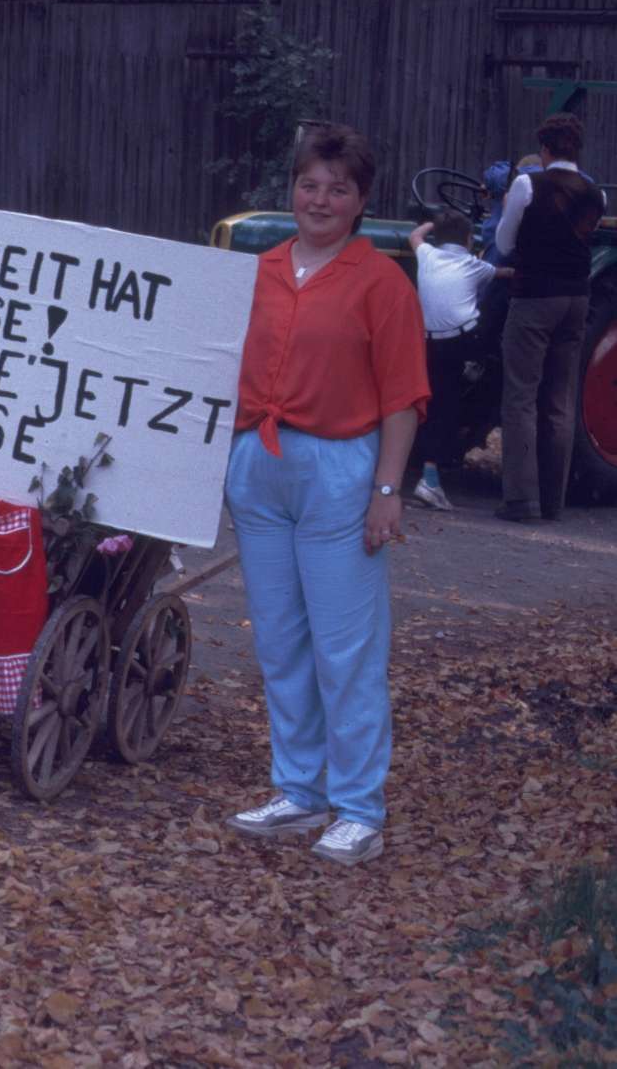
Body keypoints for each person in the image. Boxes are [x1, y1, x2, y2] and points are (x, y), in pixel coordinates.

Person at [223, 123, 428, 867]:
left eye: (338, 189)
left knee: (346, 647)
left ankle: (359, 808)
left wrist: (387, 489)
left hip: (340, 469)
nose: (320, 200)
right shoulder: (261, 270)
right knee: (281, 640)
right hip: (261, 460)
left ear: (360, 200)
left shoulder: (381, 282)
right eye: (309, 185)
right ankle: (299, 789)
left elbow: (403, 396)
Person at [494, 113, 604, 522]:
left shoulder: (529, 185)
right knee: (559, 400)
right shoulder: (596, 195)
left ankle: (521, 500)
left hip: (535, 297)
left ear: (544, 149)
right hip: (577, 299)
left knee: (521, 397)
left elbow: (504, 243)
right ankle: (553, 501)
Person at [407, 208, 509, 510]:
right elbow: (503, 274)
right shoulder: (473, 264)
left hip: (428, 340)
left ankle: (429, 471)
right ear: (468, 240)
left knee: (434, 401)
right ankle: (431, 479)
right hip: (463, 339)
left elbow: (415, 236)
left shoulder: (426, 254)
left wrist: (430, 224)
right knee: (446, 404)